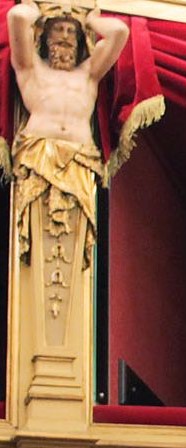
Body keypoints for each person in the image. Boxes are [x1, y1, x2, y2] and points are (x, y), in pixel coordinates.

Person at [7, 0, 129, 268]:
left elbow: (120, 32)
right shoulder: (31, 68)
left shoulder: (89, 74)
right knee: (39, 242)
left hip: (80, 159)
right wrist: (40, 9)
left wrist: (89, 20)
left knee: (74, 242)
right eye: (58, 29)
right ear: (45, 34)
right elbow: (16, 17)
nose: (64, 36)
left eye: (71, 31)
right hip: (39, 155)